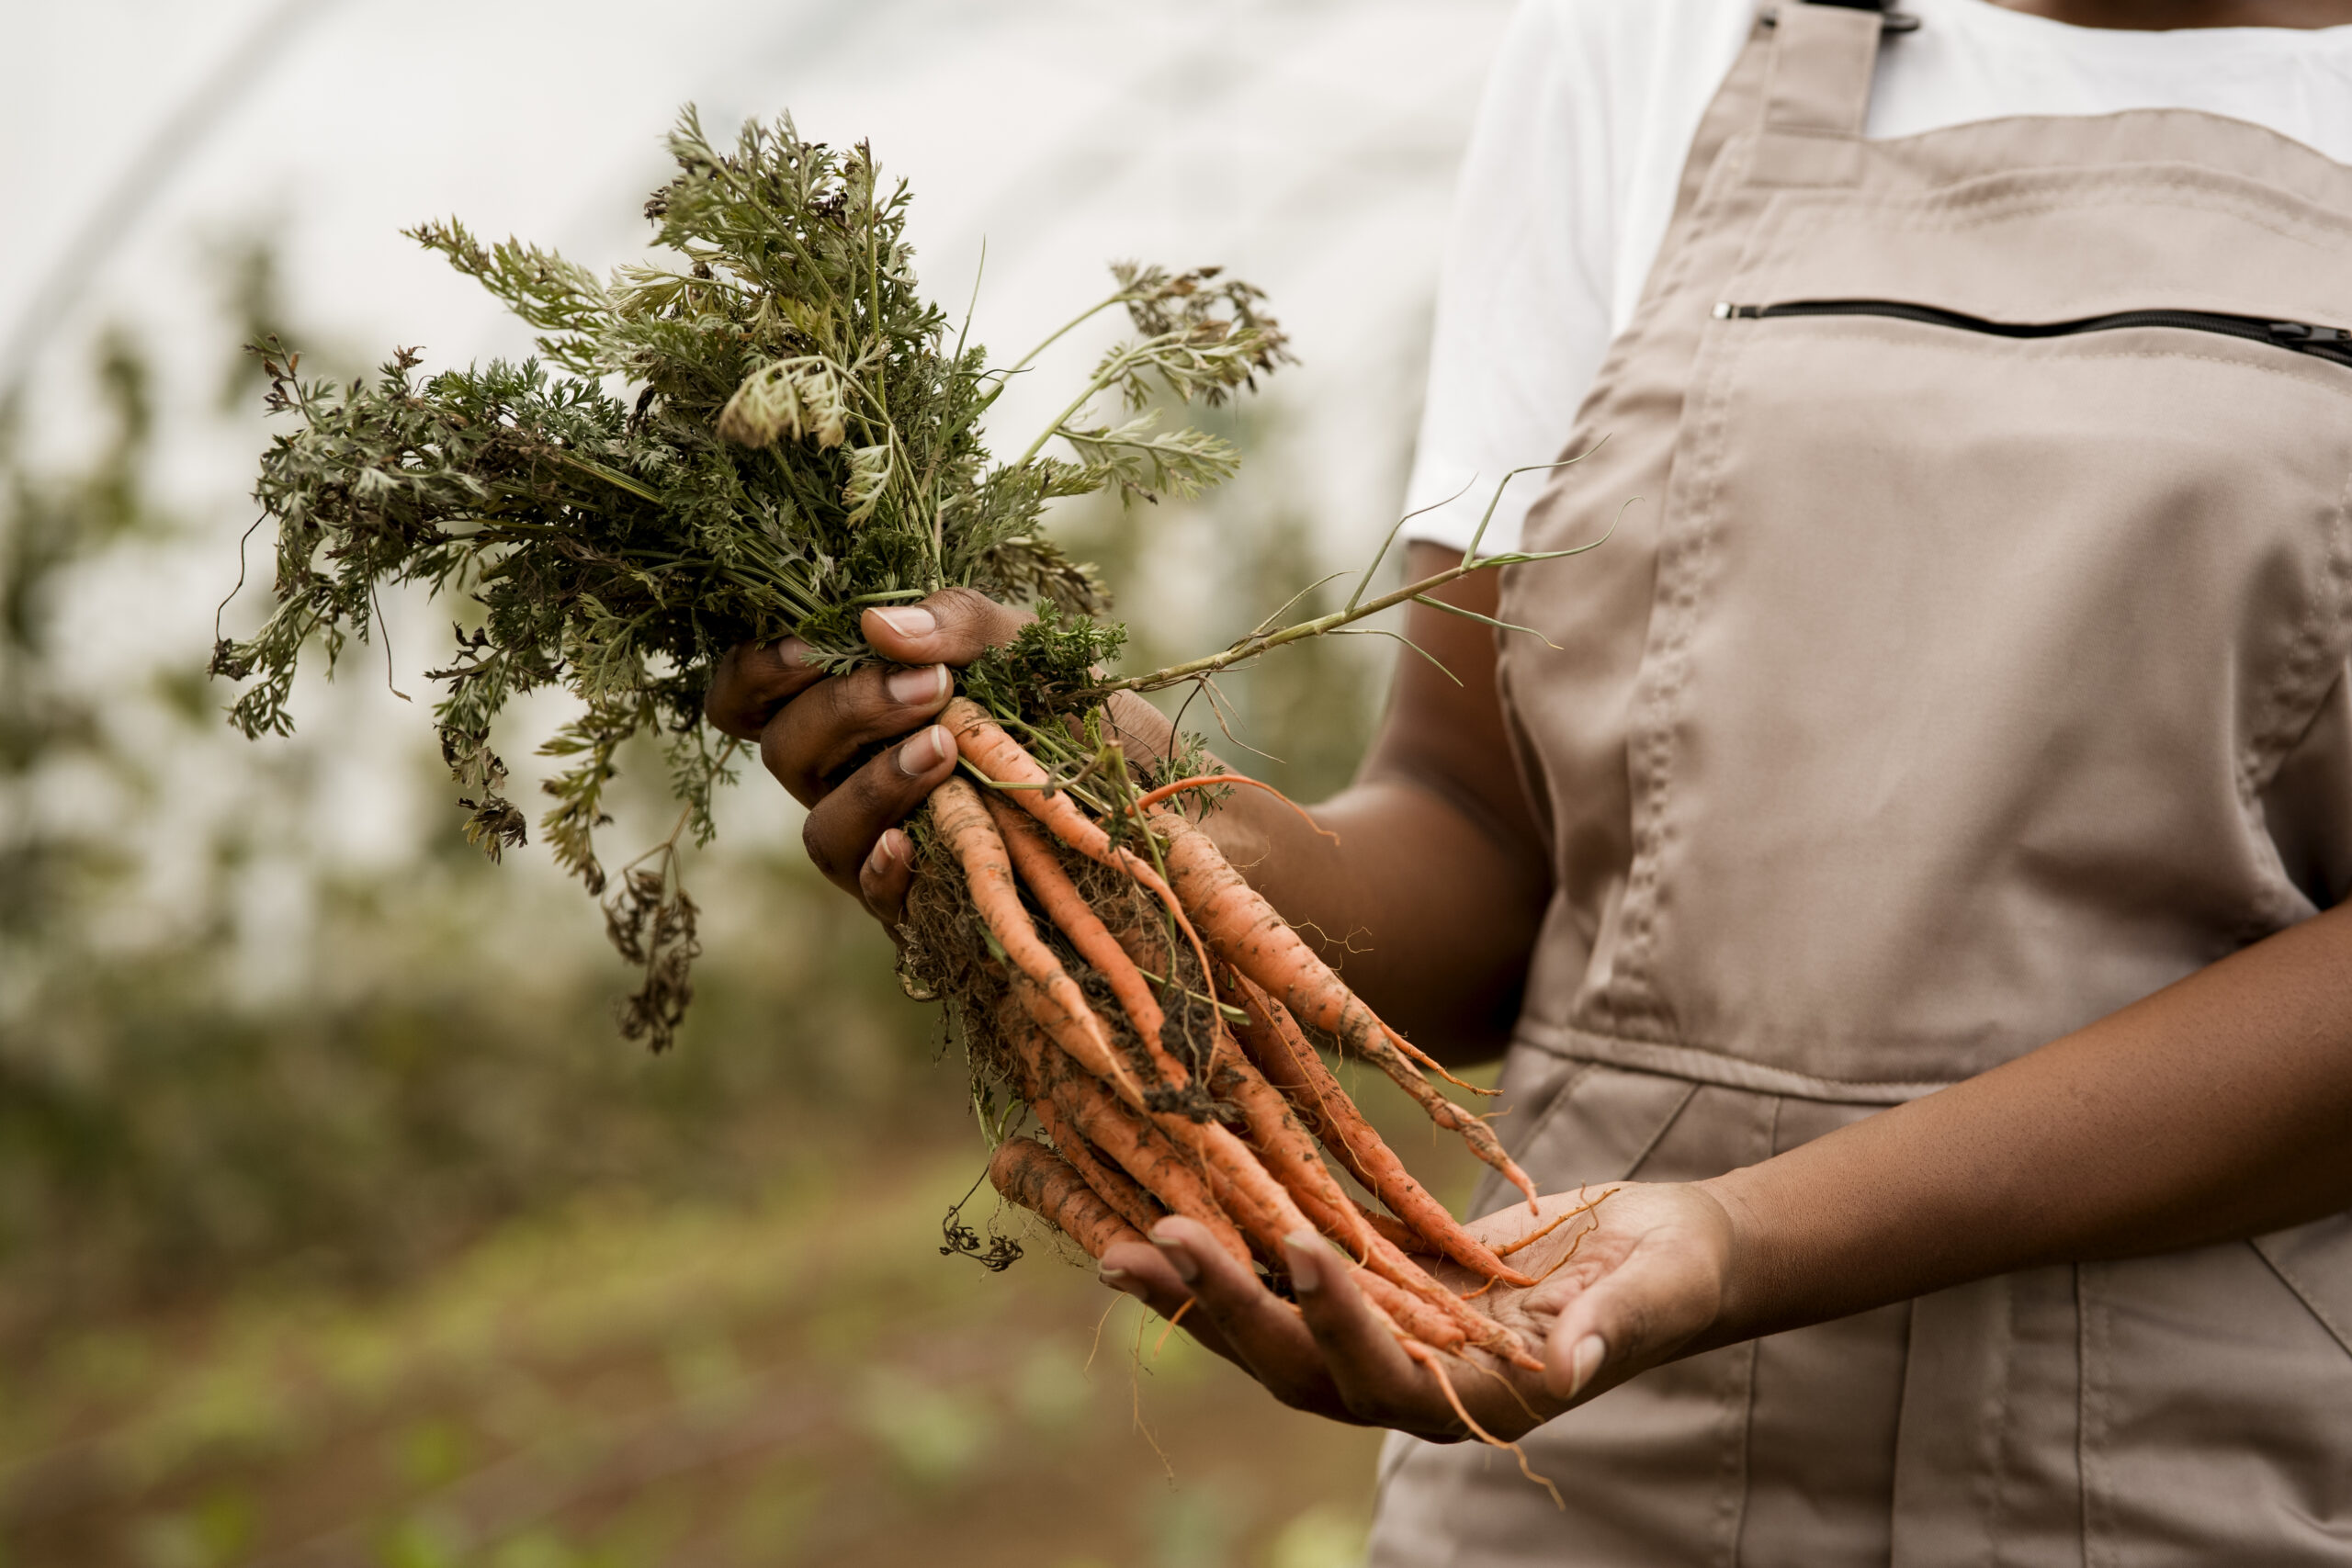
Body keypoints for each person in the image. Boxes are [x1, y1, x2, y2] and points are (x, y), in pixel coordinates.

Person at [705, 0, 2352, 1558]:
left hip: (2188, 1475)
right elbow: (1484, 838)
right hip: (1571, 1440)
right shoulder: (1654, 37)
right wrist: (1107, 799)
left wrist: (1739, 1238)